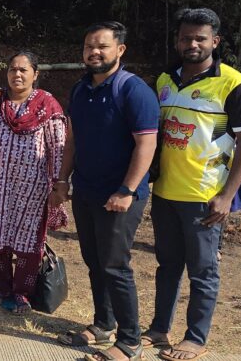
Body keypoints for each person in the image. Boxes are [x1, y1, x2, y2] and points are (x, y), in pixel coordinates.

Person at [142, 9, 241, 361]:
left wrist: (226, 196)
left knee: (203, 270)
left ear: (215, 41)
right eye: (185, 38)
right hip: (164, 193)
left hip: (205, 197)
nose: (192, 44)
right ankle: (159, 329)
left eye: (200, 38)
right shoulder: (165, 80)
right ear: (177, 40)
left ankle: (195, 337)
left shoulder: (234, 84)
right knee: (167, 266)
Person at [53, 21, 159, 361]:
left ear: (120, 50)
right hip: (86, 190)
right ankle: (103, 325)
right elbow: (72, 139)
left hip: (120, 196)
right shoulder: (81, 89)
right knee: (94, 261)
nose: (94, 52)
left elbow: (146, 144)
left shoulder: (134, 90)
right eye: (88, 47)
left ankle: (130, 341)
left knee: (115, 265)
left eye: (102, 46)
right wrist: (62, 179)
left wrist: (127, 190)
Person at [0, 51, 67, 313]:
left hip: (32, 190)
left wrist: (58, 184)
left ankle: (22, 294)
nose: (16, 74)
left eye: (23, 70)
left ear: (35, 74)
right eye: (12, 70)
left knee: (28, 242)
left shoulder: (47, 105)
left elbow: (59, 147)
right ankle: (1, 288)